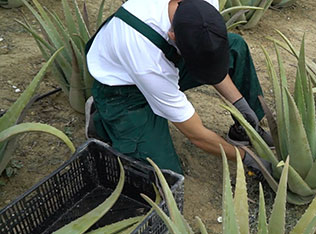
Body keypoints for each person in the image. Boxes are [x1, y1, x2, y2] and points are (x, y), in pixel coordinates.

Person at [85, 0, 272, 175]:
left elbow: (208, 54)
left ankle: (246, 131)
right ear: (172, 36)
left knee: (234, 46)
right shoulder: (147, 57)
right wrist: (248, 159)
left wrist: (240, 104)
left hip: (162, 65)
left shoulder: (205, 5)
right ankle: (103, 119)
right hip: (123, 90)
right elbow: (196, 134)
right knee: (163, 175)